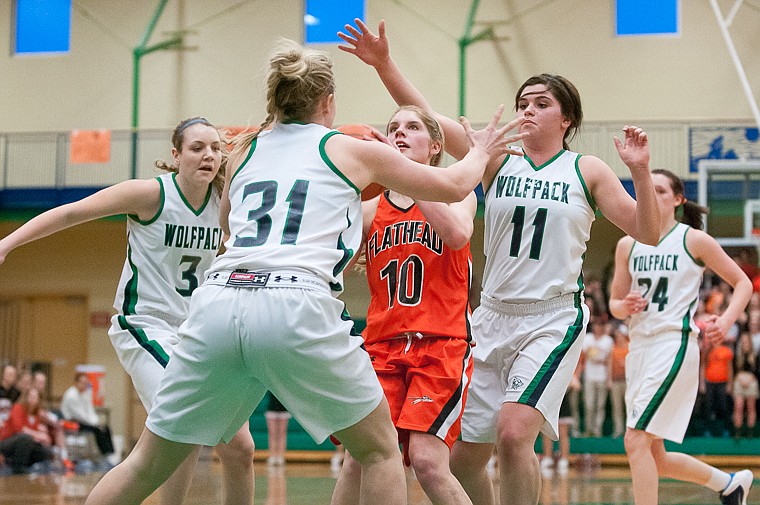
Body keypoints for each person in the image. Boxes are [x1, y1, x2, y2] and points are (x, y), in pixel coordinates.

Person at [82, 38, 518, 505]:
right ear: (328, 102)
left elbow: (229, 223)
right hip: (296, 302)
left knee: (147, 463)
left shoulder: (244, 152)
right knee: (379, 451)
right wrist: (479, 151)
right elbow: (454, 185)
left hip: (218, 301)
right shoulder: (347, 148)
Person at [338, 19, 660, 505]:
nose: (528, 110)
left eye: (541, 103)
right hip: (489, 316)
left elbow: (649, 231)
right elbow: (427, 118)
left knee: (513, 434)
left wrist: (638, 169)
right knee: (464, 458)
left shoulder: (586, 169)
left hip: (550, 317)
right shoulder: (495, 160)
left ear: (566, 119)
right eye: (523, 103)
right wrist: (384, 63)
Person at [0, 117, 255, 505]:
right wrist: (8, 244)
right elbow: (73, 213)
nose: (209, 155)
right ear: (176, 154)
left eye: (215, 148)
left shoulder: (226, 202)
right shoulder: (151, 195)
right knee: (183, 426)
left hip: (196, 332)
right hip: (145, 325)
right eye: (197, 147)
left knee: (240, 448)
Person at [332, 106, 477, 505]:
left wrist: (406, 175)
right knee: (359, 459)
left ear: (434, 147)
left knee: (428, 462)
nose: (398, 133)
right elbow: (330, 259)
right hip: (381, 343)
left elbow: (455, 234)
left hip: (441, 343)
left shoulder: (459, 196)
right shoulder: (367, 212)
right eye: (392, 127)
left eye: (411, 127)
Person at [609, 168, 753, 505]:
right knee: (653, 453)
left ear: (678, 200)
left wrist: (727, 318)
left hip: (673, 344)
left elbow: (743, 283)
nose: (652, 196)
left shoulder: (692, 240)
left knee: (634, 440)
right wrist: (623, 305)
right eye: (647, 190)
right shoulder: (627, 244)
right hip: (639, 348)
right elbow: (615, 304)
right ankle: (729, 483)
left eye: (660, 190)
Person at [0, 388, 57, 474]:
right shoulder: (18, 408)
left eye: (35, 397)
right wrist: (38, 435)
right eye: (30, 396)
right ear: (26, 397)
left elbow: (37, 433)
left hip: (26, 442)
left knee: (44, 450)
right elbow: (19, 429)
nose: (32, 399)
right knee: (25, 438)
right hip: (7, 442)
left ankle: (34, 469)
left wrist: (43, 437)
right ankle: (18, 469)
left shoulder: (36, 415)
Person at [60, 372, 115, 459]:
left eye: (86, 383)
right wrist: (95, 424)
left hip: (86, 421)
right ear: (76, 382)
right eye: (82, 383)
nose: (84, 385)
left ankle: (111, 453)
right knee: (97, 430)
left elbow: (90, 411)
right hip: (73, 421)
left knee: (105, 428)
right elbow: (80, 415)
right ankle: (104, 455)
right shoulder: (71, 395)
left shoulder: (86, 394)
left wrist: (97, 421)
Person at [582, 319, 613, 437]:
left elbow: (610, 359)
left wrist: (609, 378)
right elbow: (583, 355)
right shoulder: (587, 338)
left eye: (600, 325)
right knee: (589, 404)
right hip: (589, 376)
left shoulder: (608, 340)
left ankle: (597, 430)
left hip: (602, 376)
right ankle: (588, 429)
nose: (597, 328)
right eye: (595, 325)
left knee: (600, 405)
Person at [732, 332, 758, 438]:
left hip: (751, 381)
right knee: (738, 406)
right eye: (743, 341)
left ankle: (750, 432)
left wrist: (749, 380)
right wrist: (740, 379)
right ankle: (738, 431)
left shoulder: (755, 356)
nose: (745, 343)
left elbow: (757, 371)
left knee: (751, 407)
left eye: (747, 341)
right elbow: (733, 371)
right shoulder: (737, 356)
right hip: (739, 381)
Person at [608, 323, 630, 438]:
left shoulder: (630, 347)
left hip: (628, 381)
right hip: (616, 381)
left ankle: (629, 430)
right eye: (618, 335)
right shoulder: (613, 348)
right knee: (617, 408)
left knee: (628, 407)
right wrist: (609, 380)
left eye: (621, 334)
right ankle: (618, 430)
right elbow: (610, 365)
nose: (619, 336)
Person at [264, 392, 290, 467]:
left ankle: (280, 456)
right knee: (272, 434)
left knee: (282, 434)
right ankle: (272, 455)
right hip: (271, 409)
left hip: (284, 409)